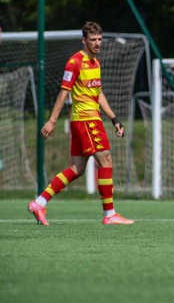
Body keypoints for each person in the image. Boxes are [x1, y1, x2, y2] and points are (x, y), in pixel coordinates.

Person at [28, 22, 135, 226]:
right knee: (106, 161)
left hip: (87, 120)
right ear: (84, 40)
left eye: (99, 39)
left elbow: (98, 93)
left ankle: (39, 202)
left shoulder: (96, 62)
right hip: (86, 120)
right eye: (93, 40)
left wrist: (114, 118)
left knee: (77, 169)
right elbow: (63, 93)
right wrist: (52, 121)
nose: (97, 43)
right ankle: (110, 214)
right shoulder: (75, 62)